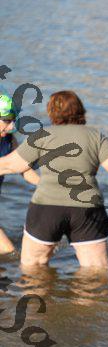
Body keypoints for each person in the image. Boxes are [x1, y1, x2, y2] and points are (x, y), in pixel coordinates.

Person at [0, 90, 108, 268]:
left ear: (51, 112)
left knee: (32, 267)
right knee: (96, 271)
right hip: (87, 209)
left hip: (46, 208)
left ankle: (44, 287)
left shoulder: (42, 136)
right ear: (81, 111)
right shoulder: (95, 136)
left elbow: (12, 165)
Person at [0, 93, 39, 254]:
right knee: (9, 252)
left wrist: (46, 186)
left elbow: (23, 168)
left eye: (13, 121)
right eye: (6, 121)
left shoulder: (9, 140)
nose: (11, 127)